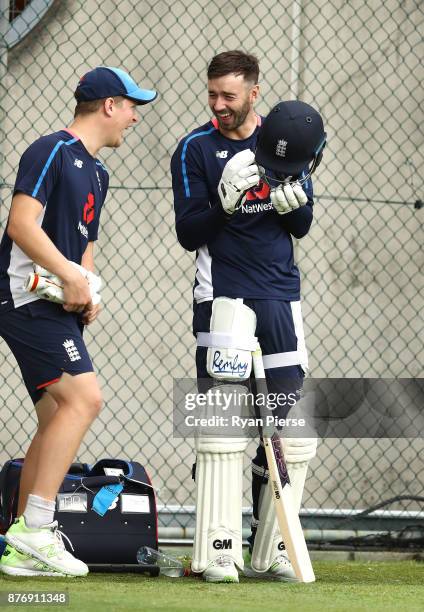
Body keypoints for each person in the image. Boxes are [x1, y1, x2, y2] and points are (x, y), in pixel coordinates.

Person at [171, 50, 325, 583]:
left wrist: (294, 205)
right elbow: (190, 233)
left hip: (281, 297)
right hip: (223, 296)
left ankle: (271, 548)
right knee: (222, 426)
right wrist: (225, 203)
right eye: (212, 94)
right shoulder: (194, 148)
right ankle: (217, 550)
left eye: (228, 96)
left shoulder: (286, 136)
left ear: (253, 94)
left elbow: (301, 224)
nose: (218, 105)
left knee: (285, 426)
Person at [0, 67, 157, 577]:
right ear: (108, 105)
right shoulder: (49, 150)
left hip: (56, 305)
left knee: (56, 418)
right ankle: (36, 530)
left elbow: (83, 248)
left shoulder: (99, 173)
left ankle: (20, 544)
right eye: (132, 105)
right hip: (23, 299)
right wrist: (68, 274)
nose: (135, 118)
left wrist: (88, 288)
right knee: (85, 399)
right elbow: (20, 225)